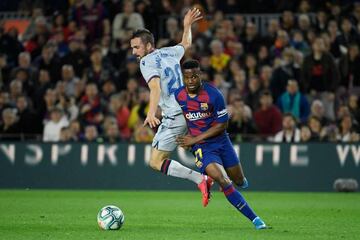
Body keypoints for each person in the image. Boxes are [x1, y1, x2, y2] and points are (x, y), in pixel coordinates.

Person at [130, 8, 212, 207]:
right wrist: (186, 26)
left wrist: (150, 113)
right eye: (132, 48)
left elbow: (155, 87)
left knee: (156, 162)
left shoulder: (146, 62)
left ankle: (201, 179)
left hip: (175, 114)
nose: (134, 52)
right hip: (190, 109)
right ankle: (210, 171)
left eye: (137, 47)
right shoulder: (168, 52)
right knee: (193, 146)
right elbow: (186, 43)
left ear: (148, 46)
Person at [175, 59, 266, 230]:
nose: (191, 81)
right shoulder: (178, 95)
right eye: (187, 78)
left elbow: (222, 125)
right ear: (183, 77)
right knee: (224, 180)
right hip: (202, 147)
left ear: (199, 75)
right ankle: (256, 220)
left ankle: (219, 177)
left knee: (239, 181)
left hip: (221, 141)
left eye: (194, 77)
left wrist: (193, 138)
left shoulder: (214, 94)